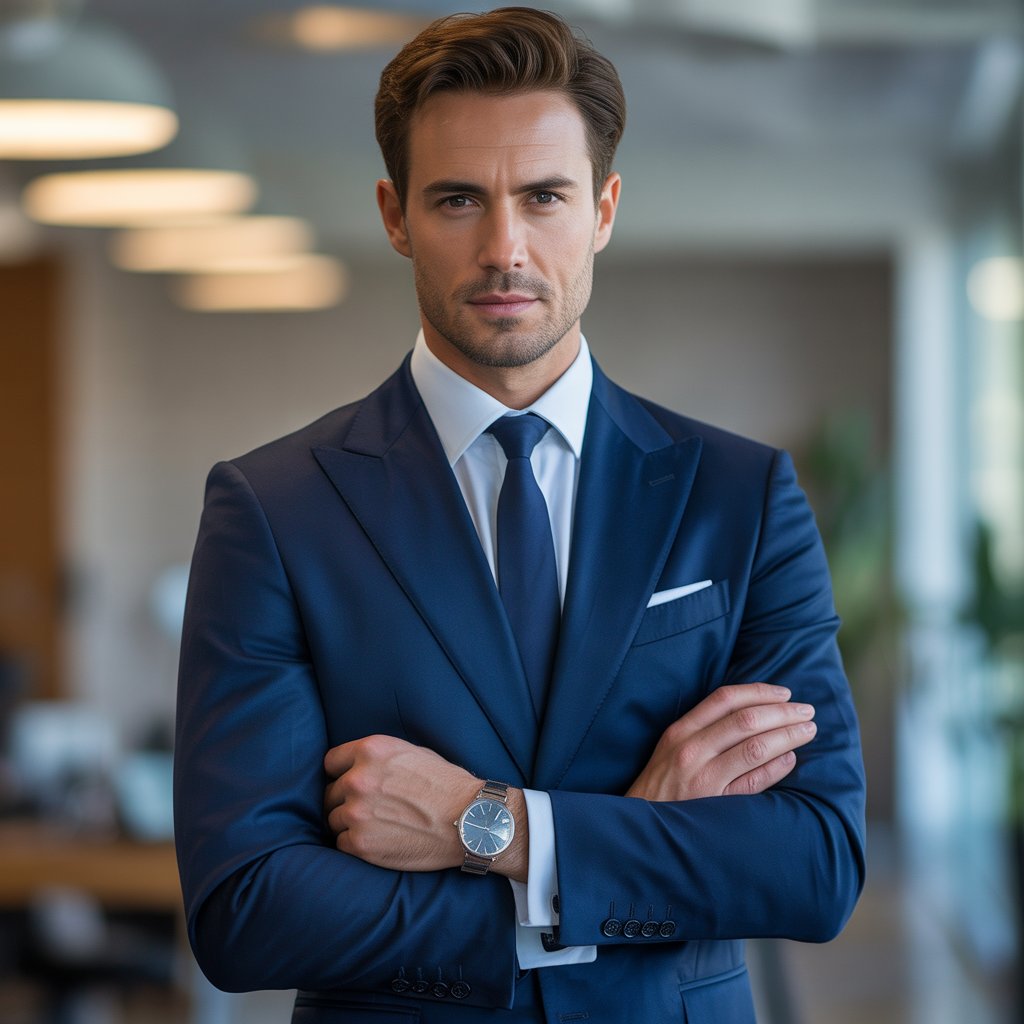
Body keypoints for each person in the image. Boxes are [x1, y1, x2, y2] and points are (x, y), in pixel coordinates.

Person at [173, 7, 866, 1022]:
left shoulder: (742, 494)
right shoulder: (274, 508)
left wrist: (488, 826)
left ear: (604, 209)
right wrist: (610, 858)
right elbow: (246, 909)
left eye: (544, 196)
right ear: (395, 215)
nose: (505, 248)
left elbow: (815, 860)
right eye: (458, 199)